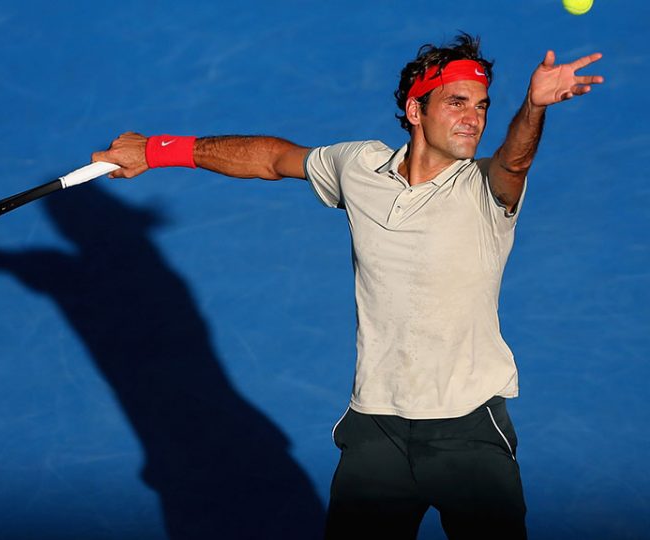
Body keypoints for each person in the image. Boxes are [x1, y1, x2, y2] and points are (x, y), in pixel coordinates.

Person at [92, 33, 602, 539]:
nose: (474, 117)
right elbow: (272, 158)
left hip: (468, 431)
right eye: (457, 102)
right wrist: (157, 150)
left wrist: (534, 107)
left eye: (482, 106)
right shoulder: (360, 167)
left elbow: (515, 160)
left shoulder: (486, 189)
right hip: (375, 430)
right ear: (415, 110)